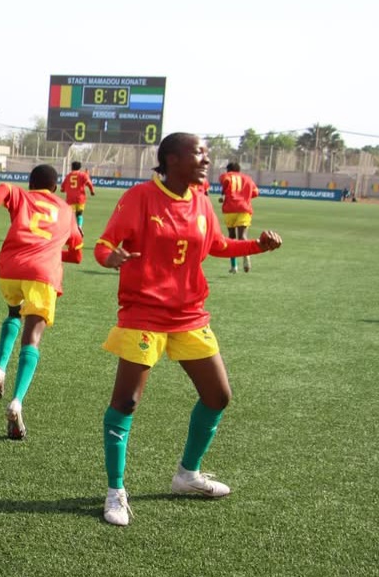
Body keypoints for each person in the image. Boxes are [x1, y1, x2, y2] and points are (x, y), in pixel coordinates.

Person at [94, 132, 282, 527]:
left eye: (207, 154)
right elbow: (104, 244)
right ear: (172, 159)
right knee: (126, 402)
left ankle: (188, 475)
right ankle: (115, 491)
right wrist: (112, 258)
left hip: (189, 315)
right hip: (144, 312)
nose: (206, 160)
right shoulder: (141, 197)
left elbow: (216, 244)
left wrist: (257, 247)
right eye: (199, 153)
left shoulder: (199, 199)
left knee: (218, 396)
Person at [0, 165, 83, 439]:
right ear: (56, 188)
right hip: (42, 273)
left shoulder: (22, 195)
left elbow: (3, 189)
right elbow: (77, 252)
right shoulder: (67, 211)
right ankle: (16, 401)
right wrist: (53, 254)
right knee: (31, 339)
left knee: (13, 312)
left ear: (30, 183)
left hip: (10, 268)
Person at [219, 162, 260, 273]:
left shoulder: (226, 176)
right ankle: (246, 259)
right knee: (242, 235)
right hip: (244, 208)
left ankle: (234, 267)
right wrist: (244, 195)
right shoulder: (247, 178)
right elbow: (256, 192)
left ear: (228, 170)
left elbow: (225, 183)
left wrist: (224, 195)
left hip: (229, 209)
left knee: (232, 237)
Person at [60, 161, 95, 229]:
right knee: (79, 214)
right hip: (80, 198)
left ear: (72, 167)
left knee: (71, 215)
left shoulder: (68, 176)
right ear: (80, 167)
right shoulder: (83, 175)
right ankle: (79, 226)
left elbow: (62, 188)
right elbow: (89, 183)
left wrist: (63, 190)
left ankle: (71, 228)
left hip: (70, 199)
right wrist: (92, 191)